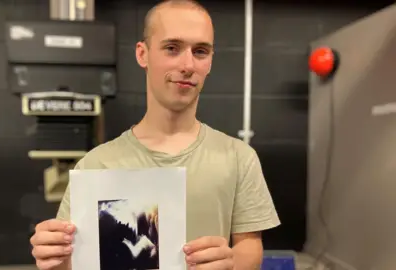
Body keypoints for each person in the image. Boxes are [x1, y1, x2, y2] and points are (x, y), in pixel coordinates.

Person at [29, 0, 281, 269]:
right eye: (172, 48)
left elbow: (249, 245)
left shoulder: (239, 158)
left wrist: (232, 262)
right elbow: (76, 259)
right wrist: (57, 257)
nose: (187, 64)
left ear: (210, 61)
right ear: (142, 54)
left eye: (200, 51)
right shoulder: (96, 165)